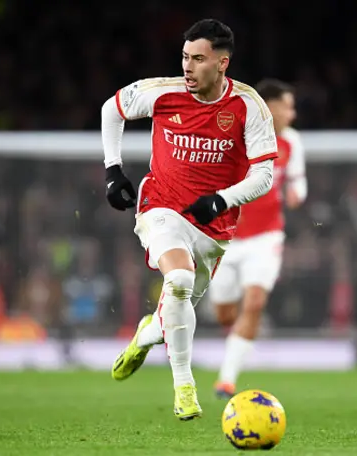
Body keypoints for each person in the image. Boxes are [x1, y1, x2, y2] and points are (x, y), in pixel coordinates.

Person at [102, 18, 278, 420]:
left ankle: (147, 336)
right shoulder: (163, 92)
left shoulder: (248, 105)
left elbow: (264, 174)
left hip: (213, 227)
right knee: (177, 279)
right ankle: (184, 387)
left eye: (198, 59)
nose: (187, 67)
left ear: (222, 64)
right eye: (184, 57)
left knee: (174, 312)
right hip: (161, 206)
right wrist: (113, 170)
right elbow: (111, 110)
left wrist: (220, 200)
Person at [209, 79, 308, 398]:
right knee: (224, 313)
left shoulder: (291, 142)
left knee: (254, 303)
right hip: (225, 239)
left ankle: (226, 379)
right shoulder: (236, 135)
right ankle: (237, 340)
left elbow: (297, 180)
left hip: (266, 237)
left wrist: (297, 192)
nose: (292, 114)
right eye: (288, 107)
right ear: (270, 106)